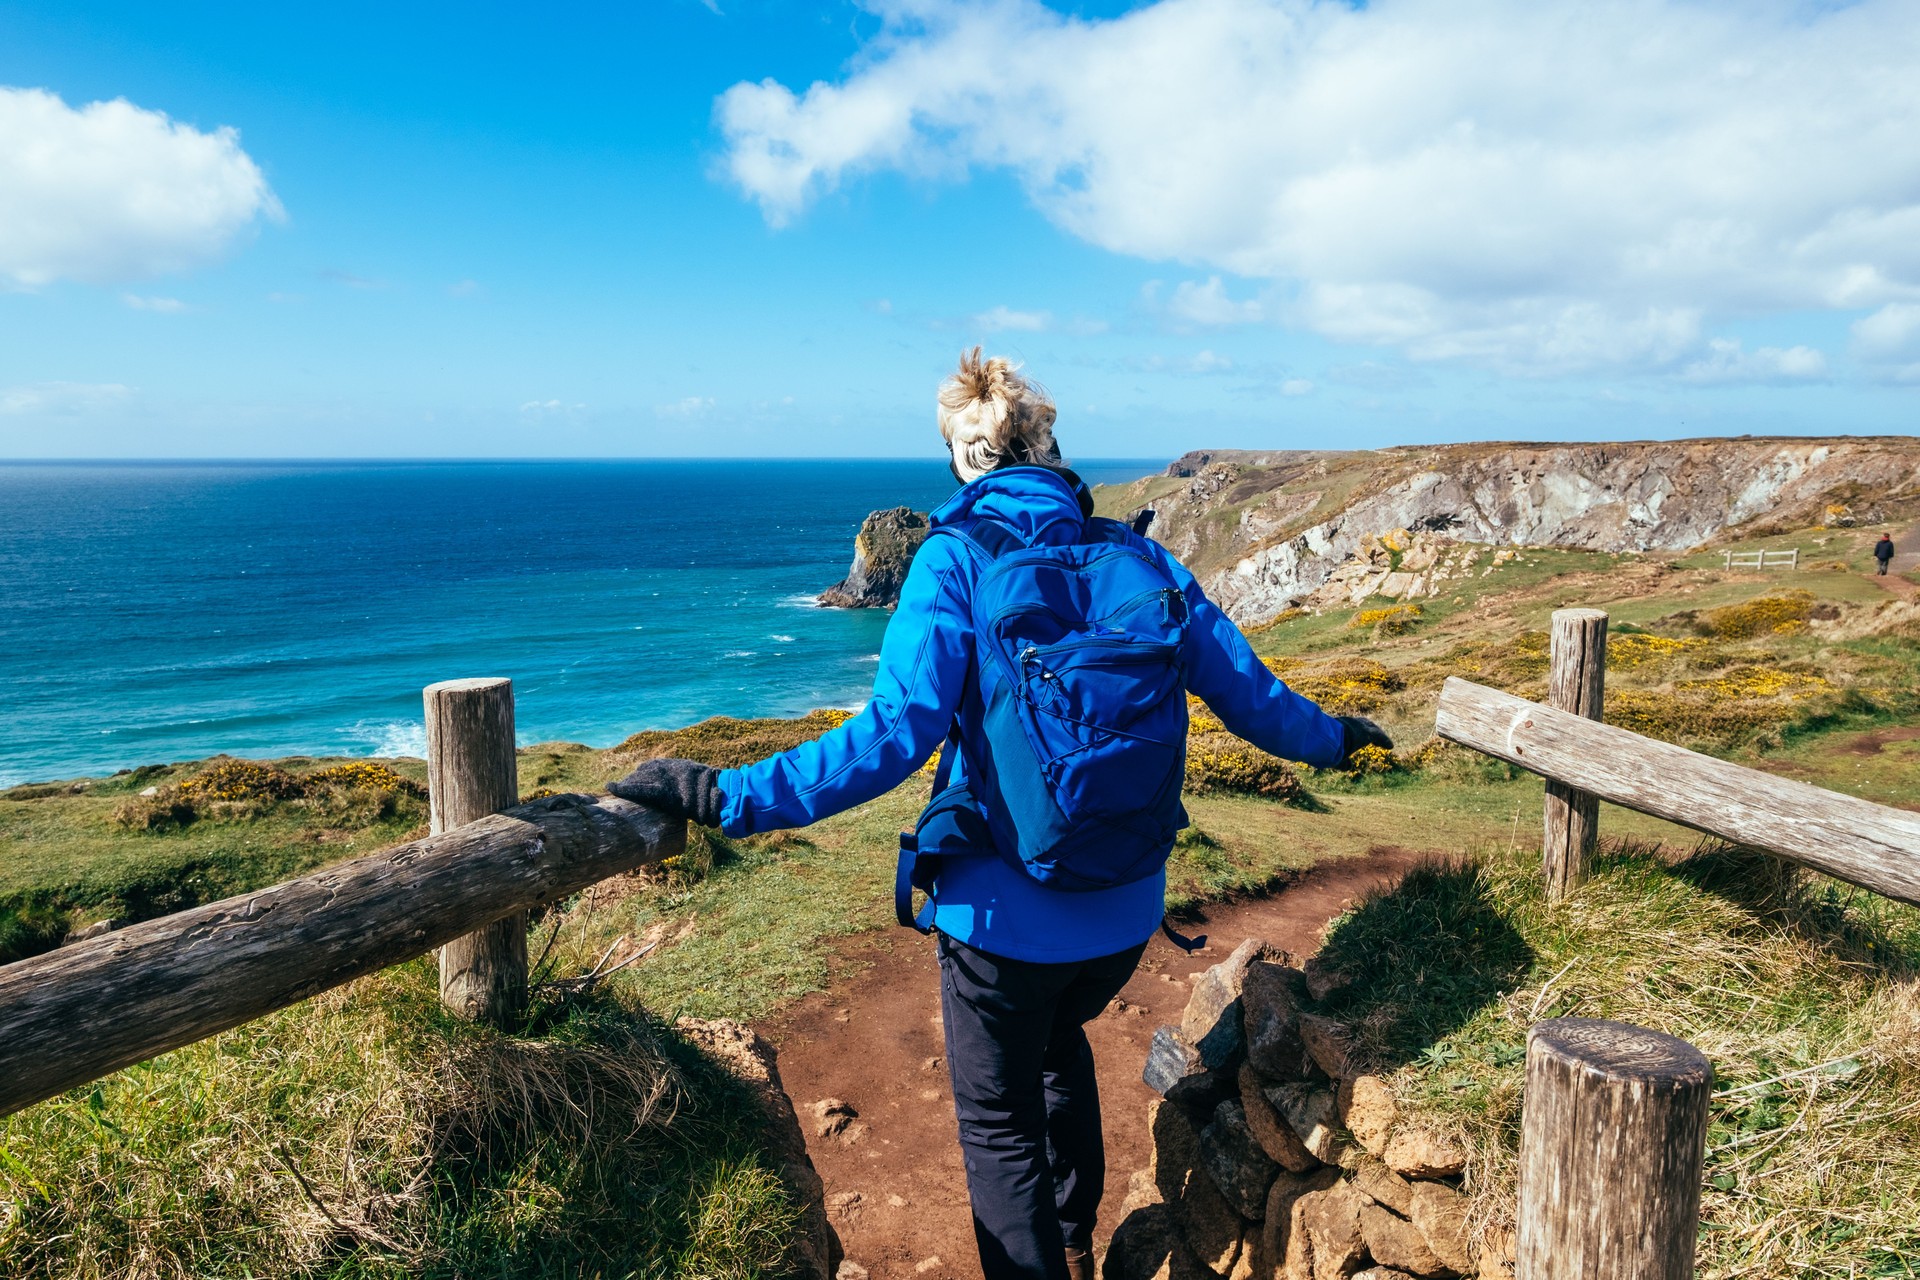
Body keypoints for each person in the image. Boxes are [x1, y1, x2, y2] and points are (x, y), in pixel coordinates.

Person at [611, 349, 1392, 1280]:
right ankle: (1073, 1238)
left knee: (998, 1121)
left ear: (966, 462)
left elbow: (893, 736)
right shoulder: (1143, 559)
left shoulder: (956, 558)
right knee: (1059, 1046)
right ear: (1050, 449)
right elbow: (1256, 701)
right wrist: (1341, 740)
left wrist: (725, 796)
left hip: (1000, 923)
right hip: (1123, 908)